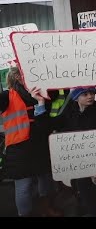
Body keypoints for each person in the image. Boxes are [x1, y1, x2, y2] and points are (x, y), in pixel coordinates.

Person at [33, 83, 96, 217]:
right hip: (79, 166)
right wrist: (40, 103)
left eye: (91, 93)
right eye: (85, 94)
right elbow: (48, 125)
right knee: (85, 196)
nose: (90, 96)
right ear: (75, 98)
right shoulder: (69, 112)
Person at [1, 67, 61, 217]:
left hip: (41, 144)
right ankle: (25, 214)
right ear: (17, 78)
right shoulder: (7, 96)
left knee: (46, 182)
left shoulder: (42, 94)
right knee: (24, 186)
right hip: (19, 149)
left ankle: (46, 208)